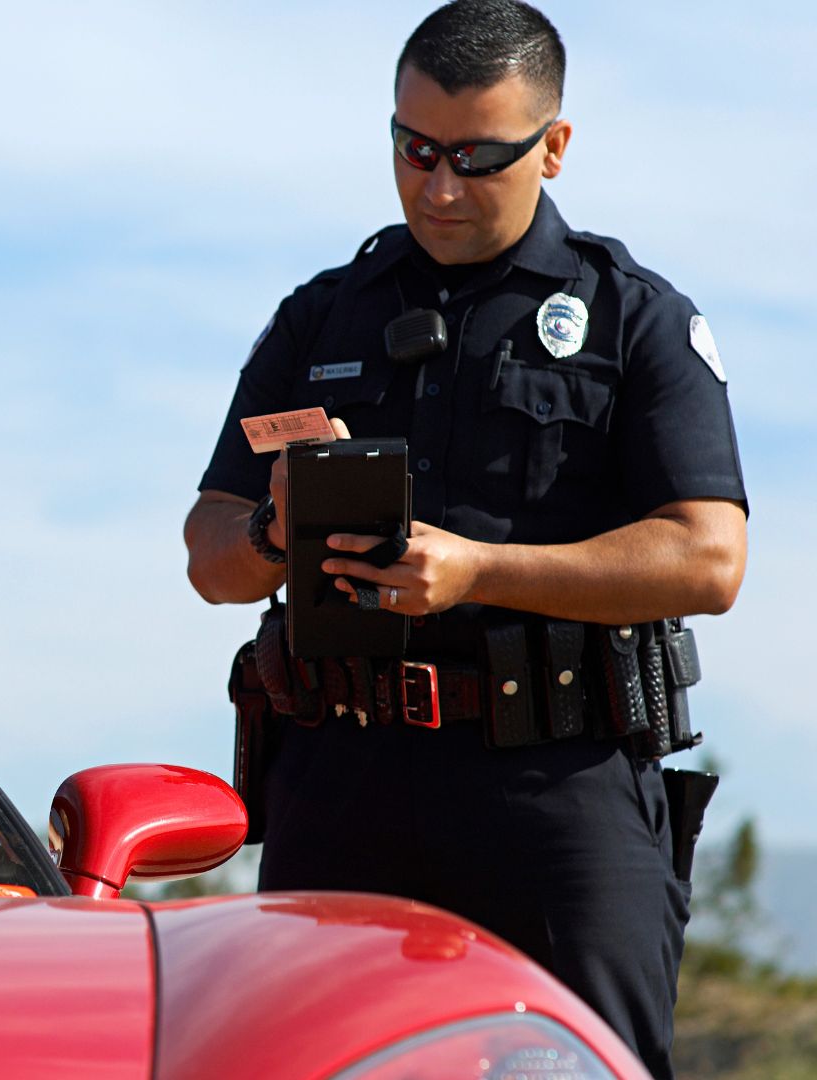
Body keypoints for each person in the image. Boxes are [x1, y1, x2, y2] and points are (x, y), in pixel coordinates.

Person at [183, 2, 747, 1075]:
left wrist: (481, 570)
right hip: (338, 781)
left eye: (478, 159)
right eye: (415, 149)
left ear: (556, 146)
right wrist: (270, 528)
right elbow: (209, 550)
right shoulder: (321, 318)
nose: (438, 187)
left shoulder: (635, 318)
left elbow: (708, 559)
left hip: (555, 790)